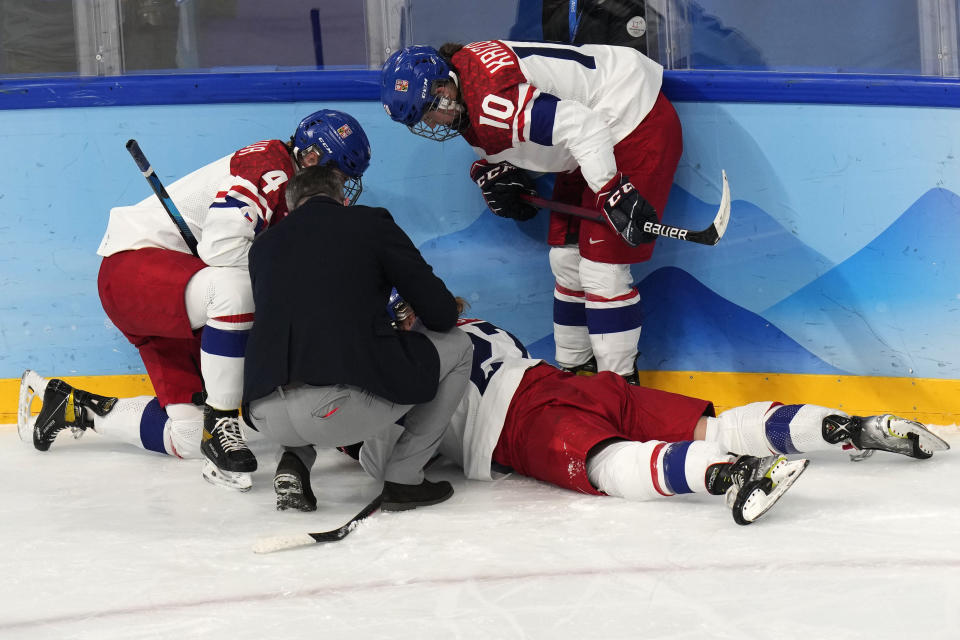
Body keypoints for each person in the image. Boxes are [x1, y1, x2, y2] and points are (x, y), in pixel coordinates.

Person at [352, 293, 950, 525]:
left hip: (521, 424)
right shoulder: (474, 324)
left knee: (608, 464)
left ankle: (729, 476)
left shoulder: (399, 372)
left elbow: (395, 459)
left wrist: (354, 441)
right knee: (714, 422)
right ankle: (852, 428)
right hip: (575, 384)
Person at [17, 109, 371, 492]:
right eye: (338, 176)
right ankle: (221, 422)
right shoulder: (270, 167)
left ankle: (74, 406)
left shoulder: (299, 196)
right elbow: (221, 247)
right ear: (311, 158)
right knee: (237, 290)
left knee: (185, 437)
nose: (341, 187)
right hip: (134, 271)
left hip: (184, 294)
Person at [380, 40, 682, 382]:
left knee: (603, 269)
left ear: (442, 83)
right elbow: (530, 128)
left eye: (430, 108)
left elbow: (582, 126)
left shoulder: (491, 103)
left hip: (631, 117)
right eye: (423, 117)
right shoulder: (464, 78)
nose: (433, 122)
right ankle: (575, 374)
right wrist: (493, 171)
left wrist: (611, 191)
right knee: (566, 261)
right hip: (596, 127)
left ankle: (621, 387)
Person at [242, 163, 474, 513]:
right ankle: (404, 478)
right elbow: (441, 314)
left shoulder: (262, 246)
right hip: (333, 411)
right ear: (340, 197)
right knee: (458, 347)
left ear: (290, 207)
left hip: (264, 415)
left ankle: (294, 461)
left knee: (306, 355)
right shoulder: (371, 223)